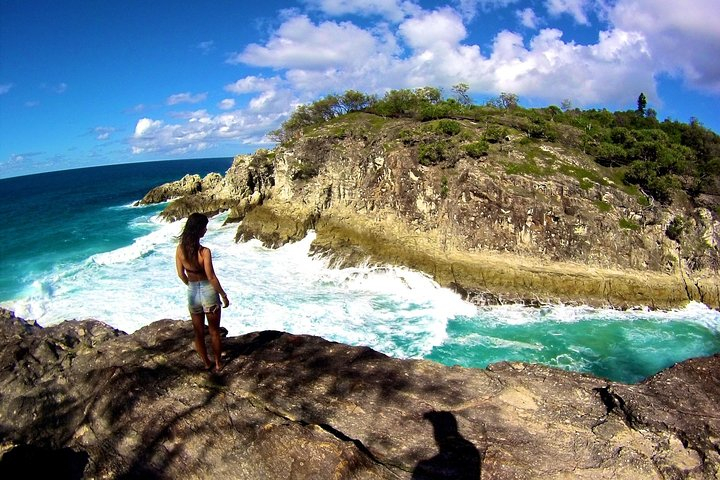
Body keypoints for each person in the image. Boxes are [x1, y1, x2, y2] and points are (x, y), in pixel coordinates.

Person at [175, 213, 229, 372]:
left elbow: (180, 274)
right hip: (208, 291)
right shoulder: (204, 252)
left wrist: (191, 285)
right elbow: (211, 277)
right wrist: (223, 295)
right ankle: (218, 363)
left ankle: (206, 362)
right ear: (197, 230)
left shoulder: (180, 250)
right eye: (204, 227)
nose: (206, 230)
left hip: (192, 291)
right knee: (214, 332)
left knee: (198, 332)